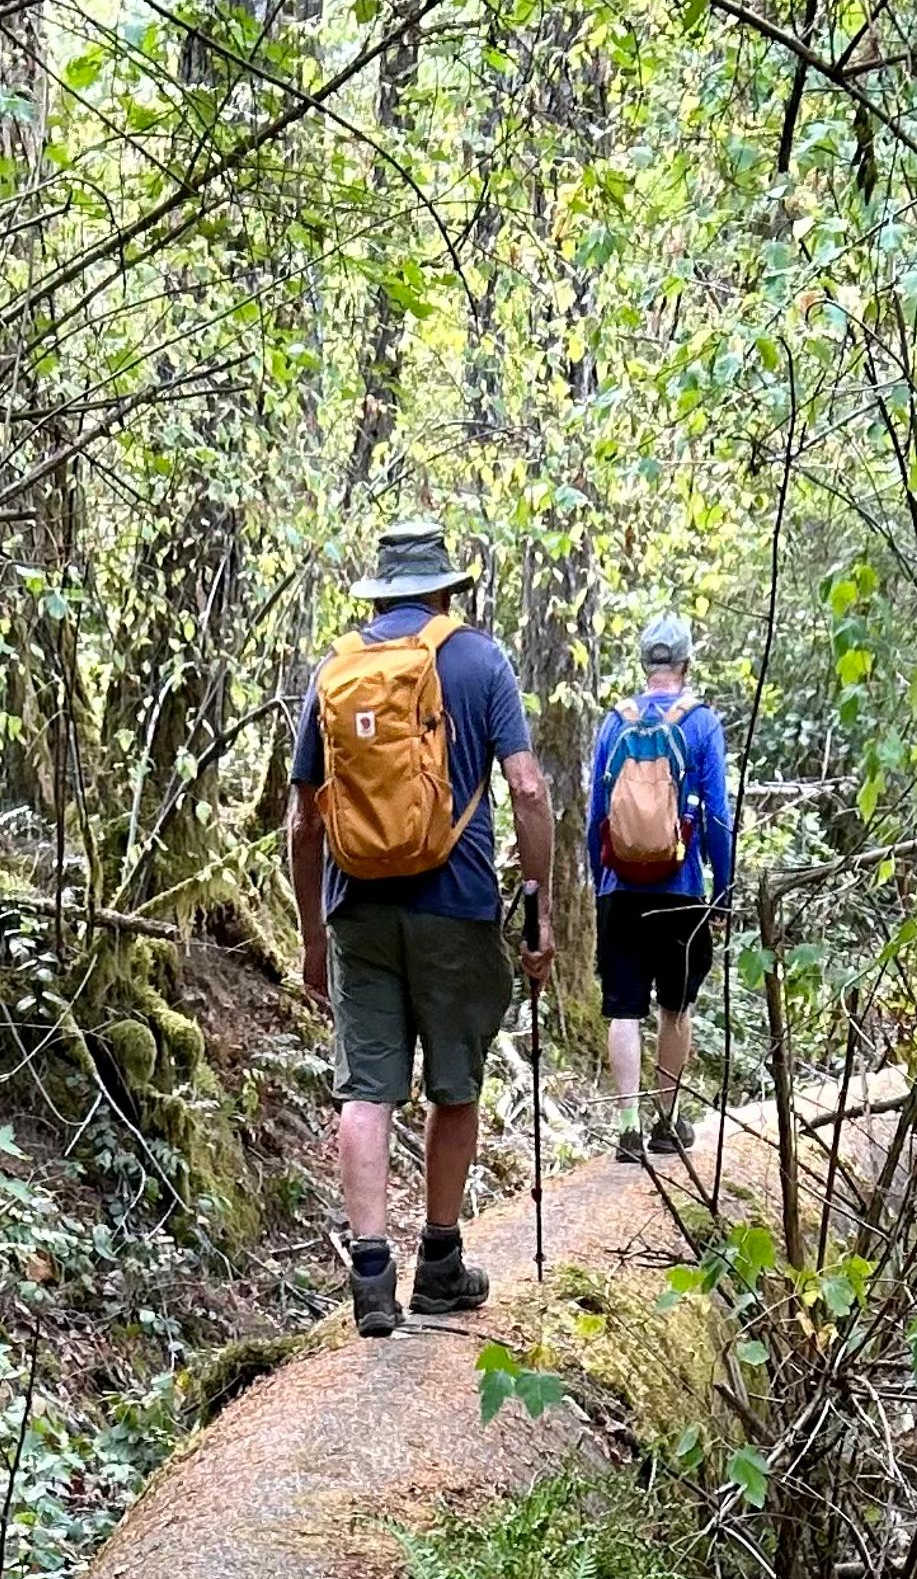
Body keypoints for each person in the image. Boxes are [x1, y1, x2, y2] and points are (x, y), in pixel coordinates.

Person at [288, 518, 554, 1337]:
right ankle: (440, 1263)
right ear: (443, 588)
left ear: (381, 591)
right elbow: (529, 789)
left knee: (366, 1089)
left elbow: (301, 822)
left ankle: (371, 1278)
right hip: (459, 904)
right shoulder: (479, 660)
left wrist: (311, 936)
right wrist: (538, 905)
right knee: (455, 1082)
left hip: (356, 906)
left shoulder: (334, 672)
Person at [585, 611, 735, 1163]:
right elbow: (717, 812)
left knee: (624, 1008)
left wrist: (595, 876)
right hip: (681, 886)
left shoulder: (614, 722)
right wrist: (725, 885)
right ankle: (666, 1122)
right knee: (676, 1004)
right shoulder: (700, 723)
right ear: (686, 664)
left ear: (644, 665)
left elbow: (597, 810)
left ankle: (627, 1125)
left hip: (618, 886)